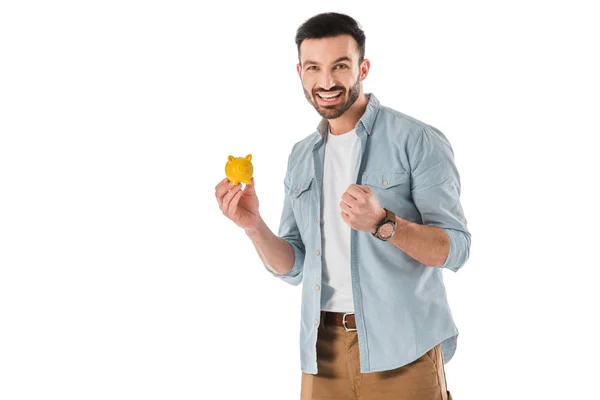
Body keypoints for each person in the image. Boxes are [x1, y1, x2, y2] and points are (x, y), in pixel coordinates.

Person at [214, 12, 470, 400]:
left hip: (403, 349)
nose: (327, 82)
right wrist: (253, 225)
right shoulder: (301, 156)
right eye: (314, 68)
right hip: (322, 354)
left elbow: (456, 249)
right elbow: (295, 264)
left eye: (340, 66)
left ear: (362, 68)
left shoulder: (416, 140)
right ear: (300, 72)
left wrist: (384, 223)